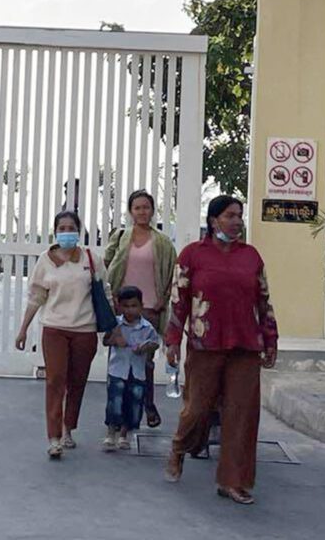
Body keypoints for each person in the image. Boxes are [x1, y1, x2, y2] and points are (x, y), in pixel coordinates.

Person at [163, 195, 278, 505]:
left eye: (240, 215)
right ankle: (179, 447)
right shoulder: (192, 255)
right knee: (197, 409)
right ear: (214, 221)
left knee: (241, 415)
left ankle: (233, 481)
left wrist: (271, 339)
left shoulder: (251, 256)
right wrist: (173, 340)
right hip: (205, 344)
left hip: (245, 345)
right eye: (230, 215)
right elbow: (178, 299)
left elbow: (264, 300)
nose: (237, 221)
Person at [15, 211, 110, 459]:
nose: (67, 232)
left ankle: (69, 428)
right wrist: (23, 328)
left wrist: (112, 327)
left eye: (71, 228)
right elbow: (36, 296)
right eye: (62, 228)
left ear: (78, 231)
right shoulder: (45, 261)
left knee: (76, 383)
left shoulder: (91, 259)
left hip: (85, 329)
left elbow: (105, 293)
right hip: (54, 329)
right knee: (55, 380)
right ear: (55, 231)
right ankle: (54, 436)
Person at [103, 190, 177, 428]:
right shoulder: (121, 236)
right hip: (122, 309)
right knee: (118, 361)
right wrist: (113, 297)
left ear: (152, 210)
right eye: (137, 208)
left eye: (146, 207)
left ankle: (147, 403)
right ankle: (118, 413)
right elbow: (107, 265)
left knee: (145, 362)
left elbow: (171, 275)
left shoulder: (163, 242)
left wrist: (162, 301)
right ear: (131, 211)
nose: (142, 212)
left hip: (149, 310)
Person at [102, 286, 160, 452]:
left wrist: (145, 348)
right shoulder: (116, 324)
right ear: (120, 307)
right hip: (117, 370)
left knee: (133, 403)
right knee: (115, 401)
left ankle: (124, 435)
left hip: (137, 372)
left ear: (141, 306)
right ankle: (111, 433)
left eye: (133, 306)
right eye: (126, 306)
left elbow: (155, 343)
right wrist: (115, 339)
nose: (130, 310)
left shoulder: (147, 327)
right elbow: (106, 341)